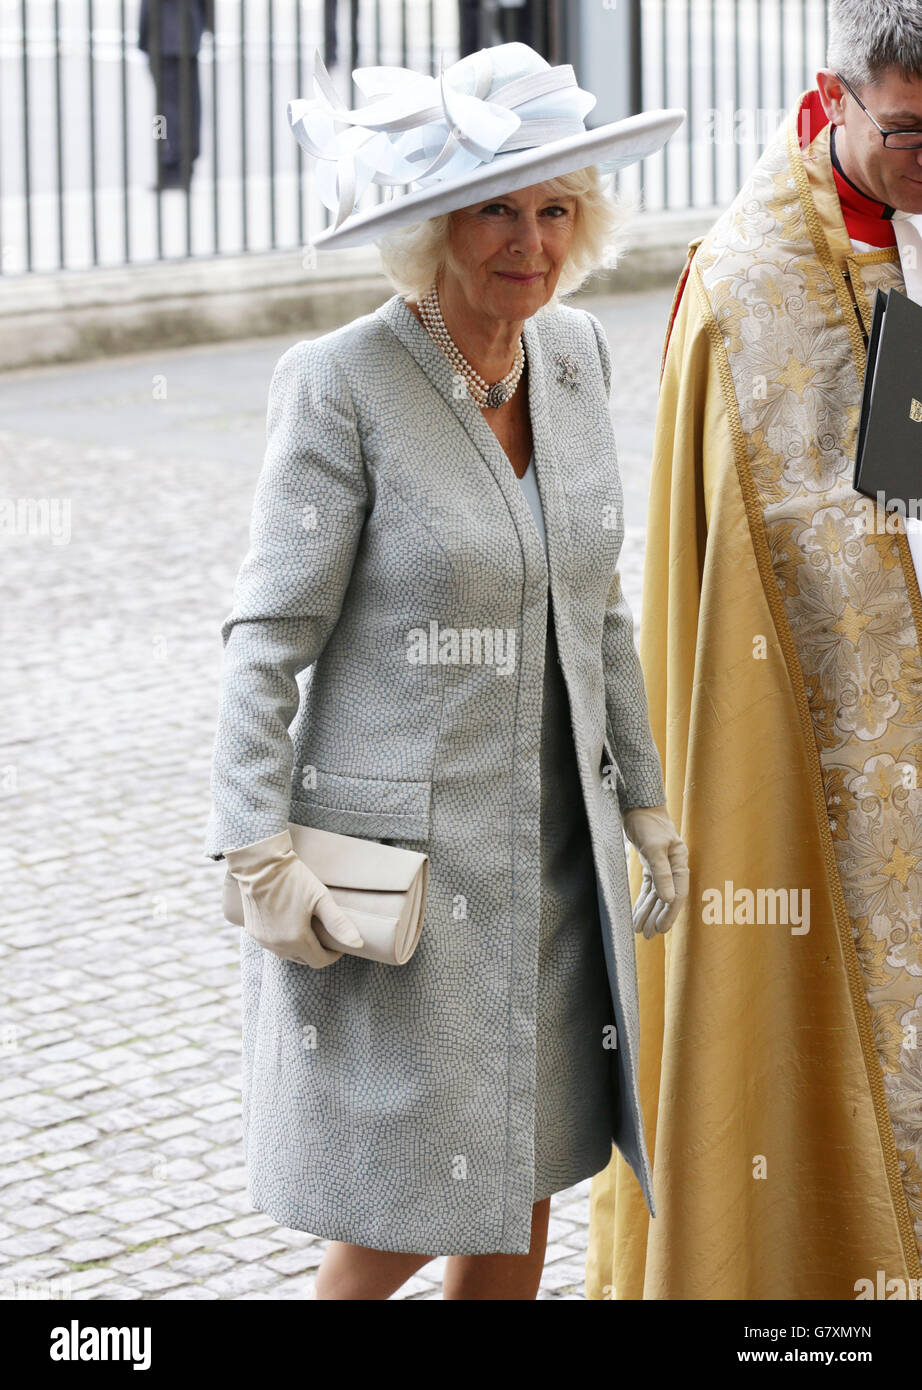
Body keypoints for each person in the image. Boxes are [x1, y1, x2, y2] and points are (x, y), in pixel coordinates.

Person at [204, 41, 688, 1300]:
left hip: (554, 862)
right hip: (410, 880)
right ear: (429, 226)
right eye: (493, 209)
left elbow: (597, 604)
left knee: (527, 1182)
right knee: (404, 1202)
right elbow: (267, 639)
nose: (527, 242)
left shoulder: (572, 354)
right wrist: (255, 850)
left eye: (551, 209)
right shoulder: (342, 385)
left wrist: (643, 795)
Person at [586, 0, 922, 1301]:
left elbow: (899, 467)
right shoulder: (749, 285)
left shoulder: (899, 231)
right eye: (905, 133)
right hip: (817, 760)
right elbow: (745, 581)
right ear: (828, 98)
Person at [138, 0, 213, 190]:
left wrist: (143, 36)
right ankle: (183, 160)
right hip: (187, 34)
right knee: (189, 105)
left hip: (161, 36)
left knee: (164, 110)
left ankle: (170, 160)